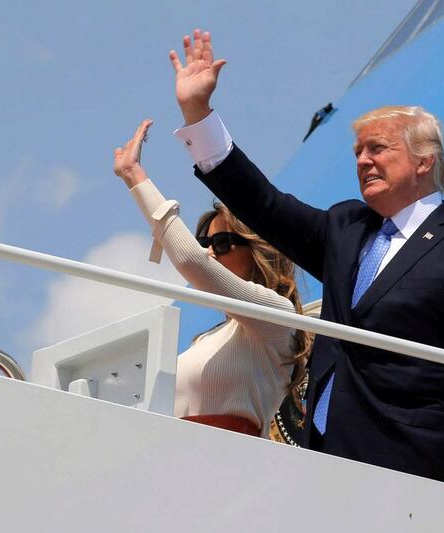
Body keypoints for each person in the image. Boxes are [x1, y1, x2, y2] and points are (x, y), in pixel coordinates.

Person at [166, 30, 444, 493]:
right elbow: (263, 204)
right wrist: (199, 115)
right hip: (324, 460)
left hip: (413, 469)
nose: (363, 161)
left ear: (424, 161)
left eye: (378, 148)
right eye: (358, 152)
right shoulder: (346, 229)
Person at [112, 119, 310, 438]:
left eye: (221, 243)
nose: (210, 253)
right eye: (205, 243)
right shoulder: (209, 339)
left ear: (260, 250)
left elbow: (191, 260)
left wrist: (135, 177)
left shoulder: (279, 318)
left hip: (224, 465)